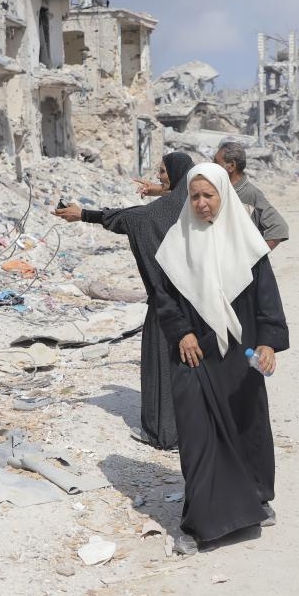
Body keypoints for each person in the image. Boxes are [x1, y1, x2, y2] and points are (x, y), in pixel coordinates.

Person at [152, 163, 289, 555]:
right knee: (197, 435)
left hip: (238, 355)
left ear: (223, 197)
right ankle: (202, 524)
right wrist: (182, 331)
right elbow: (163, 298)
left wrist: (268, 343)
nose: (200, 203)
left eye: (208, 195)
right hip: (193, 356)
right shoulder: (176, 243)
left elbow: (267, 298)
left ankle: (256, 499)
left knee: (247, 425)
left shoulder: (247, 245)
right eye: (194, 196)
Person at [52, 153, 195, 450]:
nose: (158, 174)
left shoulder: (156, 213)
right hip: (201, 304)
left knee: (161, 363)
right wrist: (161, 190)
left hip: (166, 303)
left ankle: (164, 432)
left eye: (163, 171)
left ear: (177, 173)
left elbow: (130, 217)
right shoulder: (202, 203)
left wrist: (84, 214)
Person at [214, 142, 289, 250]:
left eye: (216, 162)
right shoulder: (222, 190)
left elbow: (279, 227)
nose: (212, 165)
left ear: (231, 165)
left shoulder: (249, 193)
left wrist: (254, 258)